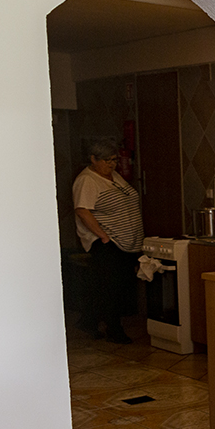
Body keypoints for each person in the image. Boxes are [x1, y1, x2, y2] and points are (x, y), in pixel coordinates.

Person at [72, 138, 144, 343]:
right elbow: (82, 211)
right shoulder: (87, 180)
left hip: (125, 242)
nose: (111, 164)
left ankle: (88, 321)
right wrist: (103, 237)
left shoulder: (114, 176)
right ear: (93, 159)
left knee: (115, 285)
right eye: (106, 160)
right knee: (111, 288)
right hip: (107, 242)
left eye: (114, 160)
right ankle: (114, 330)